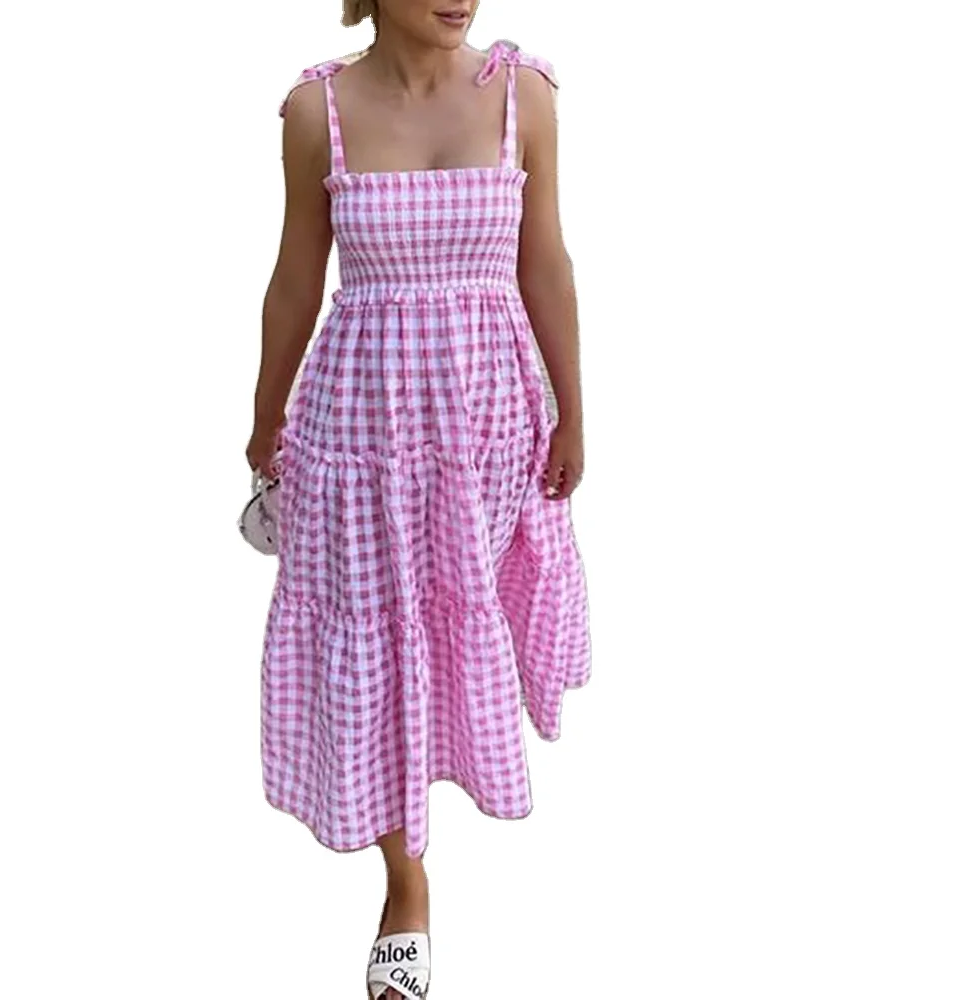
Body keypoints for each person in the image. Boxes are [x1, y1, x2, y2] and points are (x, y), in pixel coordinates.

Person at [246, 2, 592, 996]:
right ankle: (406, 883)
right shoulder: (317, 111)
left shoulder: (525, 95)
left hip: (488, 424)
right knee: (380, 636)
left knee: (453, 625)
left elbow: (545, 260)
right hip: (360, 432)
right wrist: (264, 418)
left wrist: (574, 411)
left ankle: (450, 771)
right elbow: (296, 278)